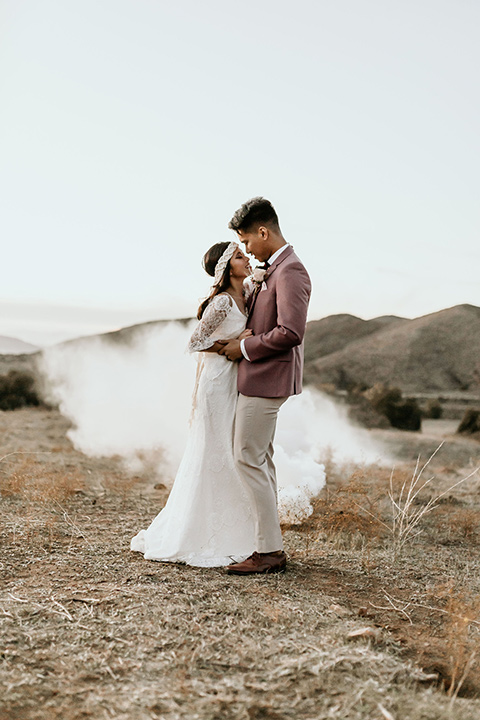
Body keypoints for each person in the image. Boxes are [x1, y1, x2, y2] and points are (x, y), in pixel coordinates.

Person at [130, 242, 256, 566]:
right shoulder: (223, 302)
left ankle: (234, 529)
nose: (247, 259)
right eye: (240, 256)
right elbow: (195, 341)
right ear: (227, 267)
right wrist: (234, 343)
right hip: (216, 385)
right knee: (215, 453)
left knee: (227, 452)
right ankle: (199, 534)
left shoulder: (246, 295)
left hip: (232, 382)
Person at [218, 197, 311, 575]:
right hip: (260, 378)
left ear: (263, 231)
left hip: (267, 380)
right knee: (261, 459)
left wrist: (242, 347)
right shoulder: (272, 270)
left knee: (247, 457)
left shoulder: (291, 271)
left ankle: (269, 552)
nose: (248, 250)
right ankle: (267, 543)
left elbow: (290, 332)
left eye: (247, 241)